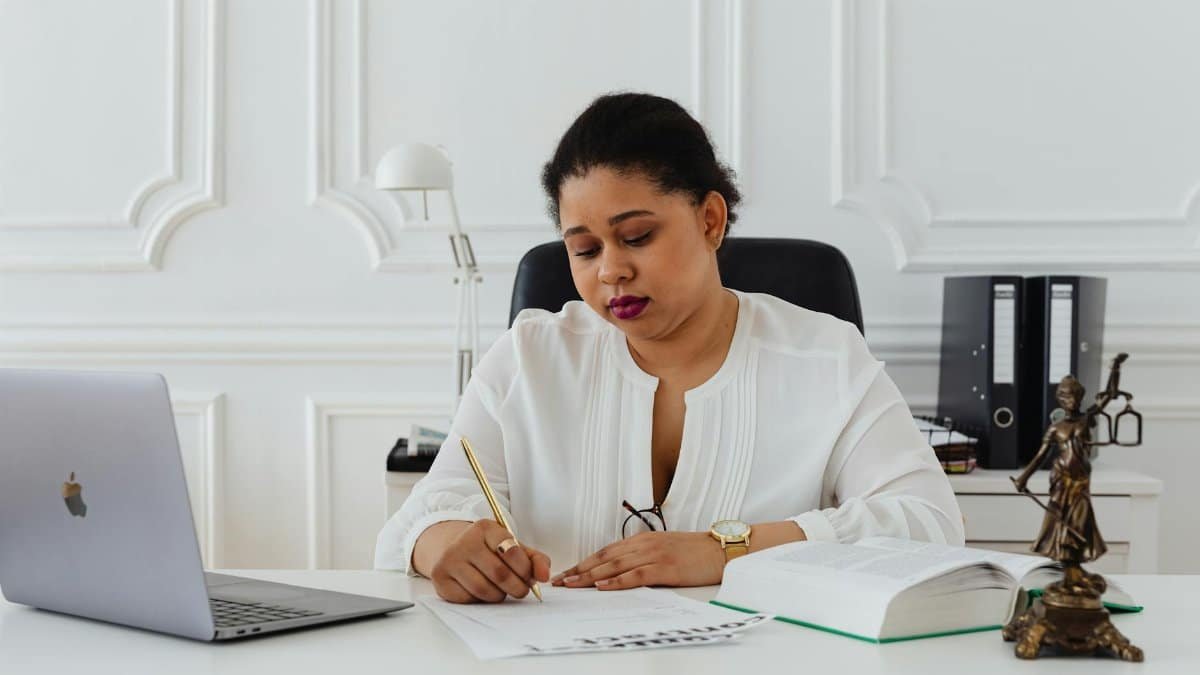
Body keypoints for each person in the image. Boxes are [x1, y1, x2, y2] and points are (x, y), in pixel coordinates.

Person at [375, 92, 964, 603]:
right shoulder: (530, 356)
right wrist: (444, 544)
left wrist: (727, 549)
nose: (611, 271)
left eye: (636, 237)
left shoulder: (827, 357)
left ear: (710, 220)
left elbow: (929, 523)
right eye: (583, 249)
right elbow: (420, 519)